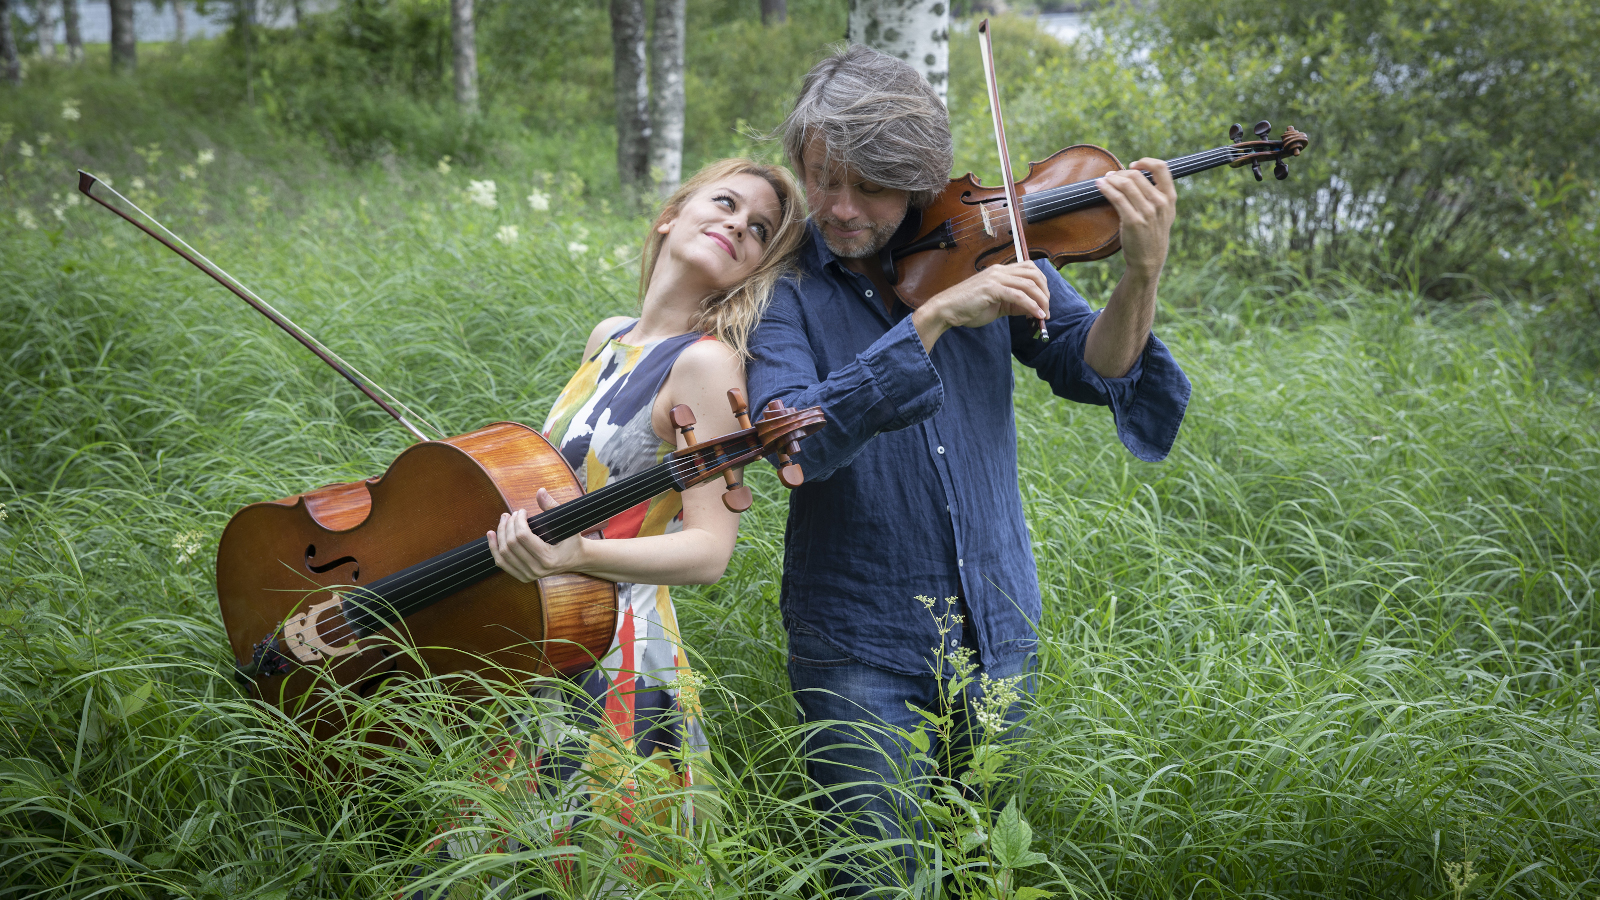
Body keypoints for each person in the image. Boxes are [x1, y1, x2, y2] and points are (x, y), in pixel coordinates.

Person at [745, 46, 1192, 892]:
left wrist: (1142, 271)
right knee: (875, 878)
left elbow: (1096, 366)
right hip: (856, 648)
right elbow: (796, 440)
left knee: (975, 873)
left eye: (869, 188)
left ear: (918, 178)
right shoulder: (784, 288)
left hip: (998, 629)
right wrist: (931, 323)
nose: (838, 209)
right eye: (820, 179)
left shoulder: (989, 239)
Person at [419, 157, 806, 886]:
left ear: (751, 269)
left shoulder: (706, 366)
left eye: (758, 230)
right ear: (670, 215)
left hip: (621, 651)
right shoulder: (609, 336)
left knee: (603, 865)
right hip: (548, 635)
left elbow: (706, 553)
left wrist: (576, 553)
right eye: (724, 203)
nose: (736, 225)